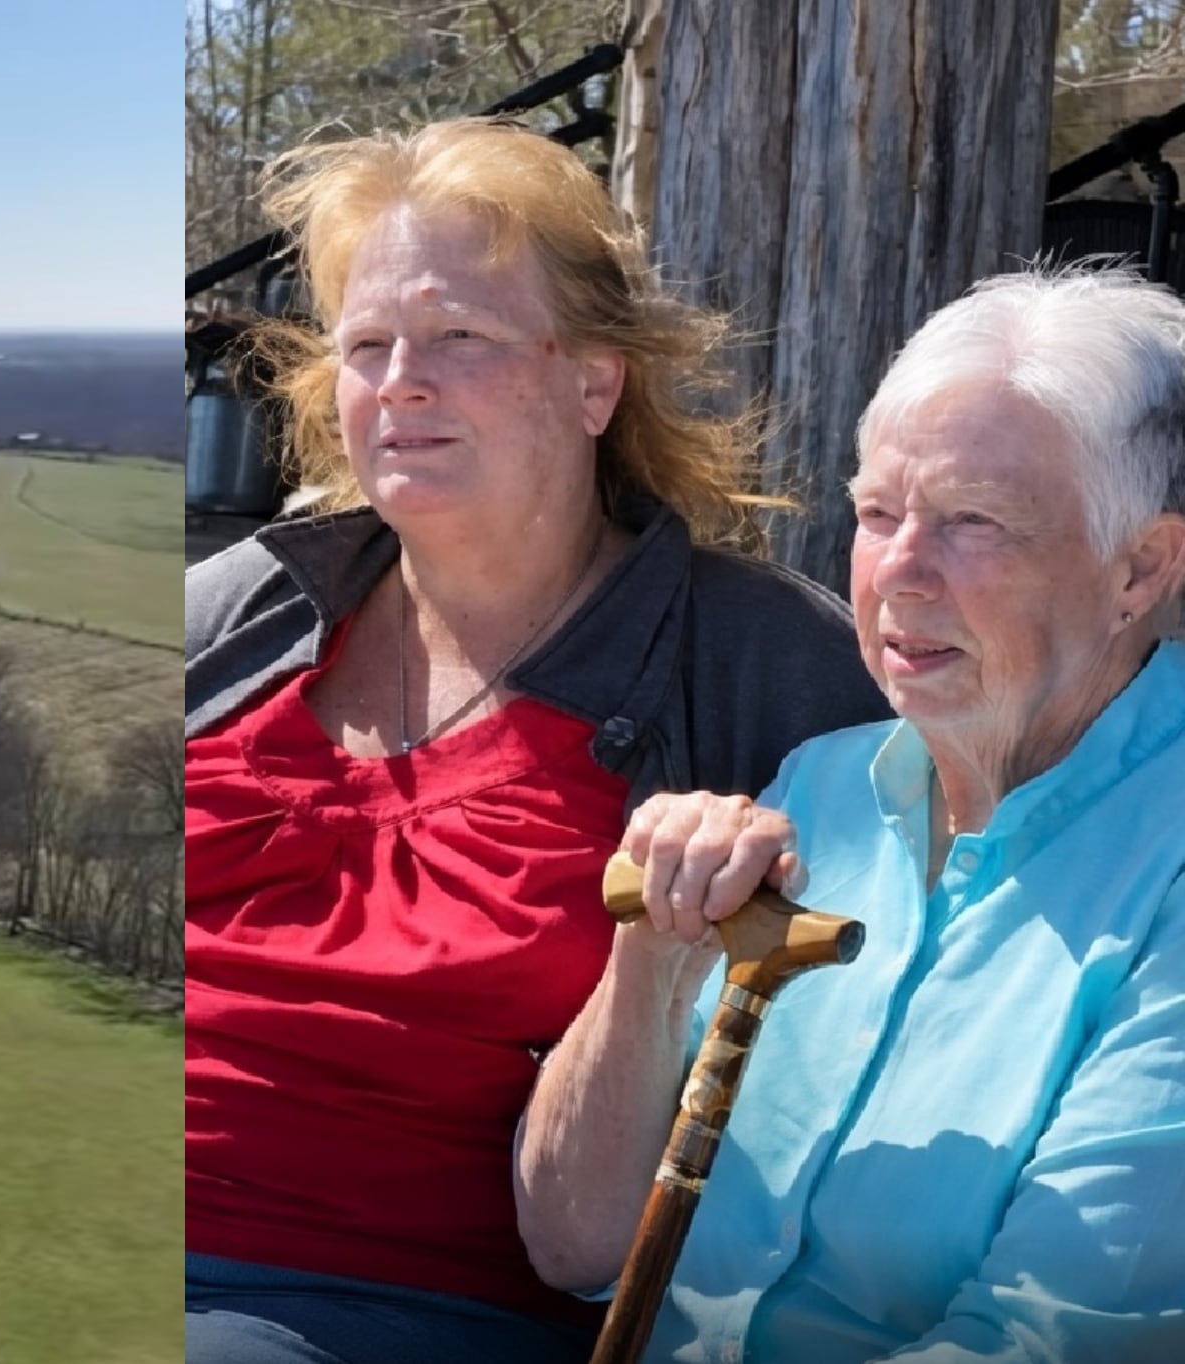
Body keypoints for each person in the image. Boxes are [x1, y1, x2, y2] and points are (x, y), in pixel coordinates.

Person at [184, 118, 890, 1364]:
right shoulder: (236, 611)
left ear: (593, 382)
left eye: (457, 336)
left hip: (393, 1309)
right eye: (365, 344)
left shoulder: (758, 667)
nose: (399, 379)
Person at [514, 267, 1185, 1364]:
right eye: (876, 512)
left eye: (973, 521)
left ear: (1139, 567)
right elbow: (572, 1241)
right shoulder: (812, 792)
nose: (899, 572)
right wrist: (650, 963)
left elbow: (1047, 1338)